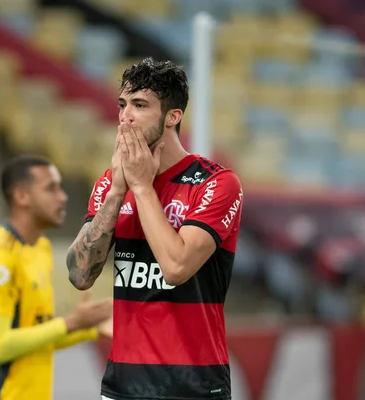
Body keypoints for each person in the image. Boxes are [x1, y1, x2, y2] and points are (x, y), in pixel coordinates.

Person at [66, 58, 244, 400]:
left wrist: (143, 188)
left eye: (140, 105)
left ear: (172, 117)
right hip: (122, 386)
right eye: (122, 104)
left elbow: (176, 268)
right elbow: (79, 275)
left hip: (193, 386)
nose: (125, 116)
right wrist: (120, 189)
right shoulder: (110, 184)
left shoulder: (216, 183)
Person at [0, 156, 113, 400]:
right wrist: (71, 323)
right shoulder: (0, 254)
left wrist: (90, 327)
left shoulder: (40, 248)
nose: (63, 197)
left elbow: (37, 335)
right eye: (51, 188)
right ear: (22, 196)